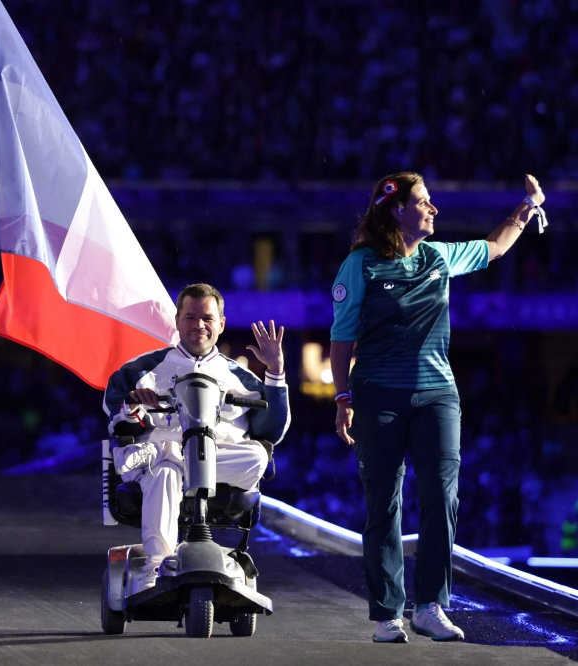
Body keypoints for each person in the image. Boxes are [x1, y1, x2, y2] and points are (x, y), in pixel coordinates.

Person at [330, 173, 546, 643]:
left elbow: (495, 247)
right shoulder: (361, 266)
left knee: (443, 498)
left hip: (437, 397)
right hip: (377, 397)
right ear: (396, 211)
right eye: (424, 203)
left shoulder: (439, 256)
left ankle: (429, 606)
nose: (434, 210)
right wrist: (343, 396)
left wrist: (527, 207)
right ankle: (388, 613)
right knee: (383, 504)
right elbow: (342, 337)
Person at [103, 283, 290, 592]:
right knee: (163, 473)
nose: (199, 325)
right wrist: (133, 405)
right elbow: (115, 418)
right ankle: (155, 566)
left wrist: (276, 370)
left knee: (257, 455)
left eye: (207, 318)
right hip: (162, 471)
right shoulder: (141, 370)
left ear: (221, 324)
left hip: (217, 462)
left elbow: (272, 431)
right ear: (177, 321)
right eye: (190, 317)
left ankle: (168, 452)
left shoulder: (241, 377)